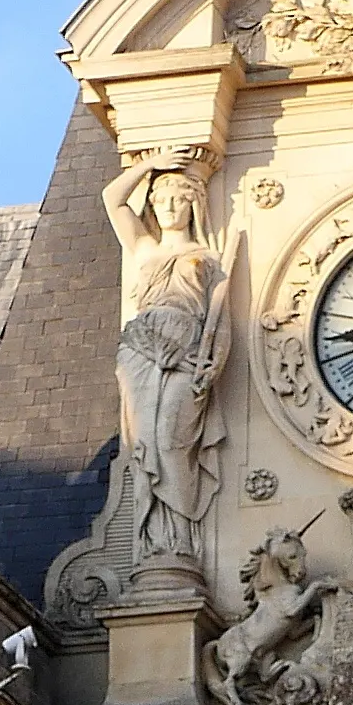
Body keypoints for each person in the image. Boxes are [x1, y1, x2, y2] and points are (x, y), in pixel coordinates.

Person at [101, 159, 226, 567]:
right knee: (145, 443)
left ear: (195, 204)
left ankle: (180, 540)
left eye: (180, 198)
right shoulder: (144, 248)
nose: (171, 207)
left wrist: (216, 363)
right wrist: (148, 165)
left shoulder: (207, 257)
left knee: (172, 440)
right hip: (141, 351)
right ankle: (155, 542)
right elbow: (112, 198)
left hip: (187, 353)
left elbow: (223, 319)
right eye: (163, 199)